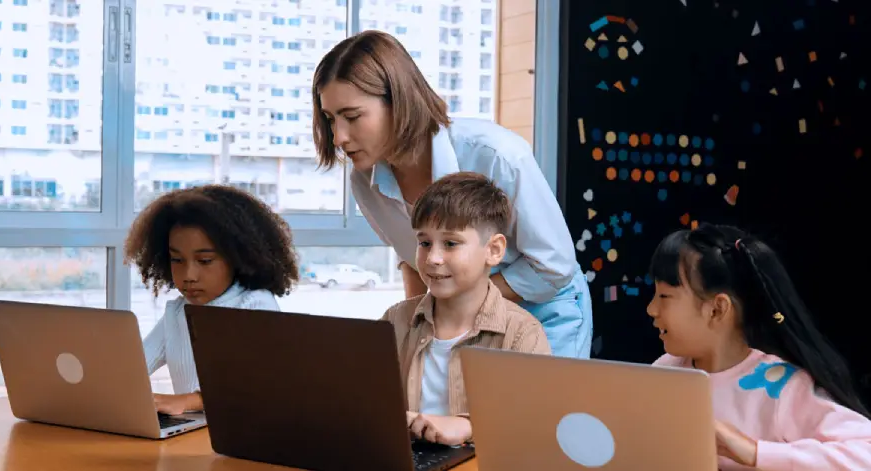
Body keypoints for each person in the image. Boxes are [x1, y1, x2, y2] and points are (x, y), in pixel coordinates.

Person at [312, 29, 592, 358]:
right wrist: (418, 333)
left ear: (399, 100)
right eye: (330, 120)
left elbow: (553, 267)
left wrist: (453, 304)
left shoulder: (497, 155)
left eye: (352, 117)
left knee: (534, 410)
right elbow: (413, 261)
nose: (339, 137)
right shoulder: (364, 180)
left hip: (544, 310)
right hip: (462, 317)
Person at [647, 223, 871, 470]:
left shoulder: (781, 386)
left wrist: (754, 452)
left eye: (664, 296)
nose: (651, 309)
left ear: (717, 309)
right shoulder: (665, 370)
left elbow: (865, 453)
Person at [381, 172, 551, 446]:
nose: (433, 258)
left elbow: (534, 427)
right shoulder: (394, 320)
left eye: (450, 243)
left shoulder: (523, 334)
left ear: (494, 250)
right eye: (424, 243)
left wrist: (469, 426)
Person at [124, 185, 300, 415]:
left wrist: (187, 401)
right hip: (193, 436)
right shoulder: (177, 312)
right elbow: (131, 368)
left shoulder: (256, 305)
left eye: (205, 261)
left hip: (245, 439)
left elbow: (258, 386)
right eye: (177, 259)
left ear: (238, 257)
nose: (188, 276)